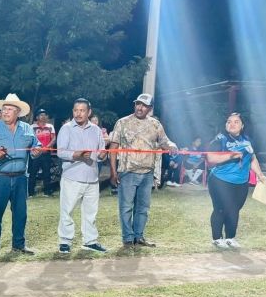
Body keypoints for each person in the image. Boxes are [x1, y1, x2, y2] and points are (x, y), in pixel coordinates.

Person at [0, 93, 43, 257]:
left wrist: (37, 151)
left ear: (18, 112)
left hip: (21, 178)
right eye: (4, 109)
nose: (5, 112)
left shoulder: (27, 129)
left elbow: (36, 146)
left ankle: (19, 245)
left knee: (21, 213)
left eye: (9, 109)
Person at [109, 93, 176, 247]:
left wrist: (172, 146)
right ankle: (127, 238)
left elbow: (165, 142)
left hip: (147, 173)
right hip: (127, 171)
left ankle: (138, 237)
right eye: (138, 104)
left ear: (150, 108)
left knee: (143, 208)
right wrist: (113, 172)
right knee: (126, 207)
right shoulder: (122, 123)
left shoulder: (155, 125)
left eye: (144, 105)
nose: (140, 107)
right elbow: (113, 148)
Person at [206, 112, 266, 249]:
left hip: (241, 183)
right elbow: (211, 159)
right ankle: (217, 238)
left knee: (234, 210)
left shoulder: (247, 140)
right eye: (229, 121)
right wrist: (231, 155)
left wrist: (260, 174)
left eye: (236, 122)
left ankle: (230, 238)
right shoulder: (220, 139)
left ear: (242, 125)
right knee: (220, 209)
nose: (232, 124)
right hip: (220, 180)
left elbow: (252, 158)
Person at [55, 99, 107, 254]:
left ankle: (90, 242)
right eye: (75, 110)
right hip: (72, 177)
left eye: (82, 110)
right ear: (73, 111)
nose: (78, 113)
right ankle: (65, 241)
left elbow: (100, 152)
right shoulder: (66, 129)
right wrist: (76, 155)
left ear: (89, 112)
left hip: (92, 178)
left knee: (91, 213)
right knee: (67, 211)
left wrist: (102, 156)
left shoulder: (96, 130)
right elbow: (60, 152)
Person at [29, 109, 56, 197]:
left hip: (46, 153)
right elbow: (30, 139)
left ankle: (47, 192)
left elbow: (53, 138)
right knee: (33, 173)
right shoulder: (32, 127)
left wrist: (47, 147)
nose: (43, 116)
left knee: (47, 172)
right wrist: (36, 149)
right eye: (41, 115)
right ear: (37, 117)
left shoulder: (50, 126)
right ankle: (30, 192)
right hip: (35, 153)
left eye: (45, 115)